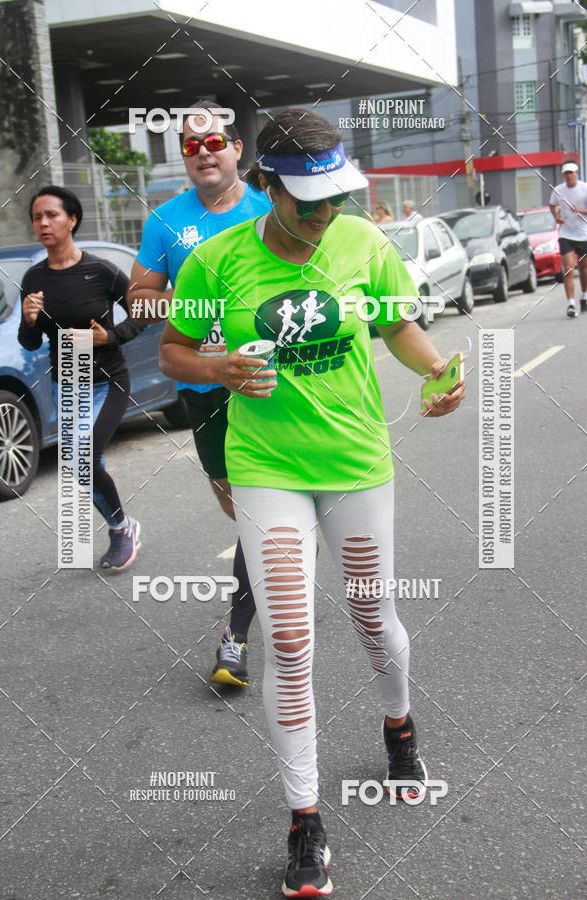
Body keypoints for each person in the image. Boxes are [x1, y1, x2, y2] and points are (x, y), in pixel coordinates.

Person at [159, 108, 465, 898]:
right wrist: (216, 369)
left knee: (372, 616)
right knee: (290, 638)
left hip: (356, 463)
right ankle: (305, 818)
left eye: (336, 196)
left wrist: (438, 372)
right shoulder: (218, 262)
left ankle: (398, 722)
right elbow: (173, 351)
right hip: (265, 465)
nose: (326, 213)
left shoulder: (364, 243)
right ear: (266, 186)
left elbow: (399, 326)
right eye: (307, 200)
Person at [128, 99, 270, 686]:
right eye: (192, 145)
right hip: (203, 383)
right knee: (234, 501)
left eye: (215, 143)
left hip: (267, 379)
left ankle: (234, 635)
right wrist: (196, 306)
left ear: (237, 148)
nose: (204, 153)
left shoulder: (272, 209)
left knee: (260, 506)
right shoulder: (166, 220)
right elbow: (139, 301)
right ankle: (270, 558)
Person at [18, 186, 144, 570]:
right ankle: (123, 525)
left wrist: (111, 335)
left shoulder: (101, 271)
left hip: (109, 379)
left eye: (51, 215)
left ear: (72, 219)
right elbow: (29, 342)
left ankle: (121, 531)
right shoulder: (34, 277)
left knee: (84, 456)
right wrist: (28, 320)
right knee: (79, 463)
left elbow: (141, 313)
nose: (43, 223)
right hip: (68, 382)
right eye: (37, 217)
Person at [548, 160, 587, 316]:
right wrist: (556, 216)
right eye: (566, 173)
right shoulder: (558, 190)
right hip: (566, 234)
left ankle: (584, 296)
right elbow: (551, 205)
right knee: (569, 269)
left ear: (576, 173)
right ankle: (571, 304)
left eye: (571, 173)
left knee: (584, 269)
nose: (569, 176)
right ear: (563, 175)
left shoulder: (584, 188)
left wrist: (580, 211)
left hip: (583, 234)